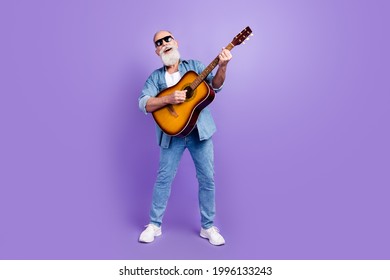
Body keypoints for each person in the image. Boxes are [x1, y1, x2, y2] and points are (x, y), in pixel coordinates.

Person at [138, 30, 232, 246]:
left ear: (176, 42)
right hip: (171, 136)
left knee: (207, 179)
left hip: (200, 133)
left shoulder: (196, 67)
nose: (164, 43)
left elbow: (215, 86)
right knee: (163, 180)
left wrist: (224, 66)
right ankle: (154, 225)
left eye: (167, 39)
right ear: (156, 51)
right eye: (158, 42)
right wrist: (168, 98)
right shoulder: (155, 77)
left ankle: (208, 227)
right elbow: (143, 102)